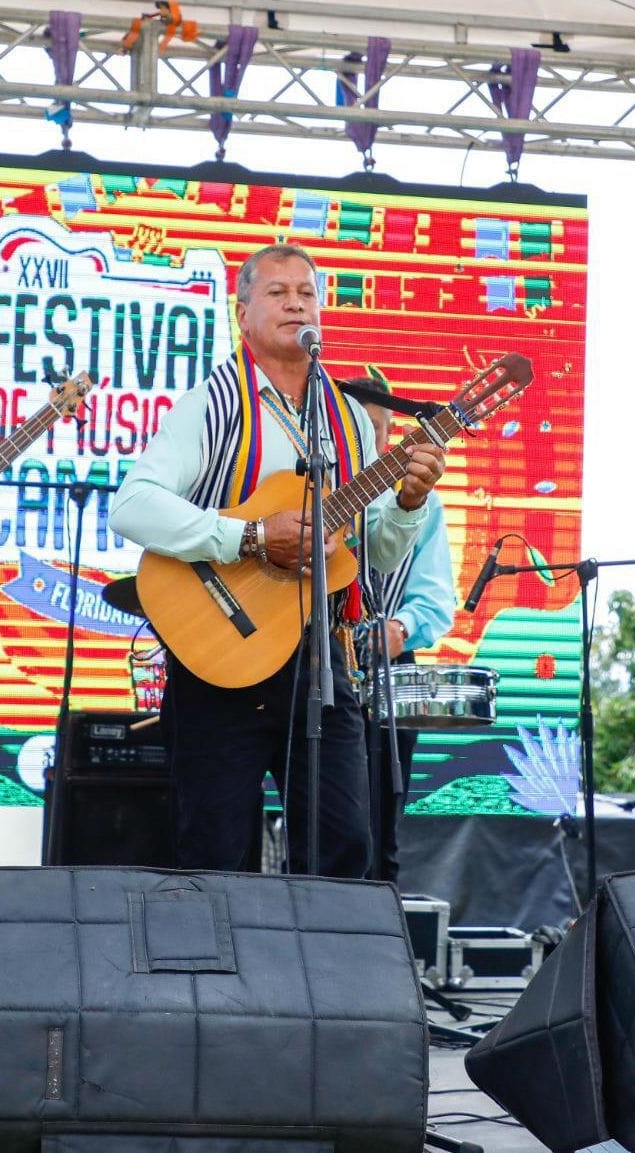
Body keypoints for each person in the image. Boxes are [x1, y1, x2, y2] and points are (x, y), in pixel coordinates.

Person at [108, 243, 447, 878]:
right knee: (216, 856)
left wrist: (407, 501)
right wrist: (252, 538)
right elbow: (131, 506)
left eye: (307, 292)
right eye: (277, 292)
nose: (296, 301)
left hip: (320, 661)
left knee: (345, 850)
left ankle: (321, 977)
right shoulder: (212, 403)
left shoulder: (347, 415)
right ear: (241, 315)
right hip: (221, 652)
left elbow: (371, 552)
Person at [352, 372, 457, 885]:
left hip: (388, 671)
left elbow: (437, 598)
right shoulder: (308, 484)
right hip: (312, 666)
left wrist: (402, 626)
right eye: (356, 425)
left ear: (391, 434)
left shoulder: (422, 499)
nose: (368, 438)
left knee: (380, 833)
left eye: (377, 428)